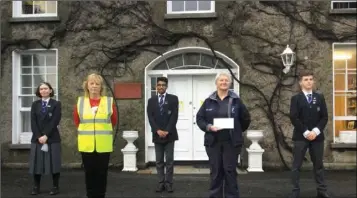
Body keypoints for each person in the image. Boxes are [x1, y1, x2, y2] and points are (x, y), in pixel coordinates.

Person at [196, 72, 251, 198]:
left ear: (230, 83)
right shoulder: (208, 101)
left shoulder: (236, 101)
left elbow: (246, 119)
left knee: (229, 171)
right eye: (221, 80)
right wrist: (209, 127)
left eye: (226, 80)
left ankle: (232, 195)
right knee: (216, 172)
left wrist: (236, 130)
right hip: (213, 142)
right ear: (216, 83)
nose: (224, 82)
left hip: (231, 143)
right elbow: (200, 119)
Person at [73, 73, 118, 198]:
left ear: (101, 87)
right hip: (87, 145)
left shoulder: (108, 102)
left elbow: (113, 121)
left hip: (103, 145)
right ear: (87, 85)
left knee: (102, 174)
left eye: (97, 84)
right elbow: (77, 121)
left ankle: (101, 195)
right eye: (91, 83)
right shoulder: (80, 102)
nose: (94, 86)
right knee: (89, 173)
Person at [289, 70, 329, 198]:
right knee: (296, 166)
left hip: (317, 138)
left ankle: (321, 191)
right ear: (301, 82)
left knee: (318, 165)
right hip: (301, 137)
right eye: (306, 79)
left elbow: (324, 117)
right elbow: (294, 118)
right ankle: (295, 192)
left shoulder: (319, 97)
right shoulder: (295, 99)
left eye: (311, 79)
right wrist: (306, 132)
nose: (309, 82)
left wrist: (316, 131)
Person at [146, 76, 179, 193]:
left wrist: (167, 130)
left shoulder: (173, 99)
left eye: (163, 85)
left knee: (169, 161)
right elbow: (150, 117)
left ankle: (169, 183)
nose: (161, 87)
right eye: (159, 85)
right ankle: (161, 183)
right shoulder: (151, 101)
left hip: (170, 135)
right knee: (159, 161)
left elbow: (174, 116)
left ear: (166, 86)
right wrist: (157, 130)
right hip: (157, 135)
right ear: (156, 86)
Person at [29, 82, 62, 195]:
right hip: (37, 139)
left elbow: (55, 120)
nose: (43, 90)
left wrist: (46, 135)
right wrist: (39, 136)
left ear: (50, 91)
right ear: (39, 91)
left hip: (52, 138)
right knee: (36, 164)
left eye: (46, 88)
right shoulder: (35, 104)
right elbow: (33, 122)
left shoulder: (56, 104)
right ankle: (36, 187)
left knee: (54, 163)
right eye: (41, 89)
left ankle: (55, 186)